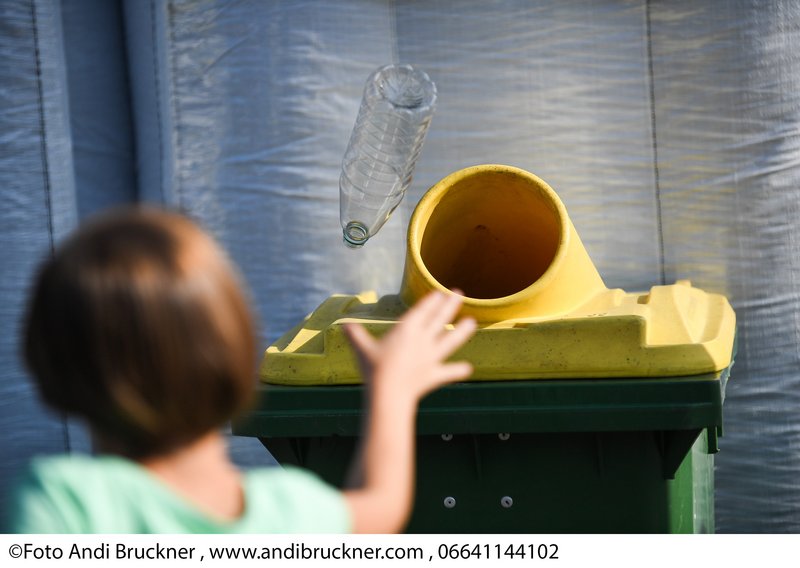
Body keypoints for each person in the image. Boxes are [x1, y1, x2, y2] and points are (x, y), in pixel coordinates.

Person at [7, 206, 476, 533]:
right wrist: (392, 391)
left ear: (49, 370)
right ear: (236, 349)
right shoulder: (294, 509)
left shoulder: (68, 505)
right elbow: (381, 508)